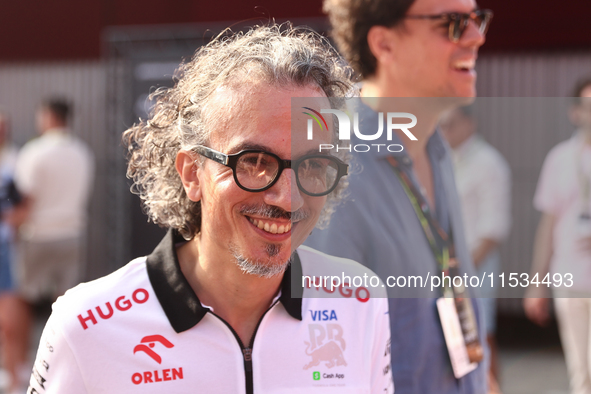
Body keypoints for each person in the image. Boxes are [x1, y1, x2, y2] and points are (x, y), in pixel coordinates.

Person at [27, 24, 394, 393]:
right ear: (192, 173)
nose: (288, 198)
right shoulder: (87, 326)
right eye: (254, 161)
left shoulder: (360, 299)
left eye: (313, 165)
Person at [306, 0, 493, 393]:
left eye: (477, 20)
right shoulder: (334, 164)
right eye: (453, 24)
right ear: (384, 44)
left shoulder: (435, 147)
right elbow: (324, 361)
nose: (477, 37)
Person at [524, 79, 591, 394]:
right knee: (580, 373)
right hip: (569, 278)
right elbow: (547, 225)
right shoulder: (560, 158)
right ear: (575, 112)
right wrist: (536, 282)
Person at [441, 105, 511, 388]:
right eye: (441, 125)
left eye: (450, 124)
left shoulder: (488, 163)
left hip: (474, 268)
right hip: (447, 271)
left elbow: (493, 230)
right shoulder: (442, 159)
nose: (443, 131)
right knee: (453, 344)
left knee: (480, 338)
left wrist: (460, 274)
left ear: (470, 123)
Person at [13, 98, 94, 304]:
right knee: (67, 301)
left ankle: (29, 338)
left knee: (25, 299)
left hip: (38, 235)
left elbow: (25, 199)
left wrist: (13, 228)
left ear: (49, 116)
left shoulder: (35, 151)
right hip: (72, 234)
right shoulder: (83, 152)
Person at [0, 110, 30, 394]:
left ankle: (14, 372)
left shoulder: (15, 162)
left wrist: (14, 221)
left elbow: (25, 204)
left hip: (6, 248)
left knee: (10, 317)